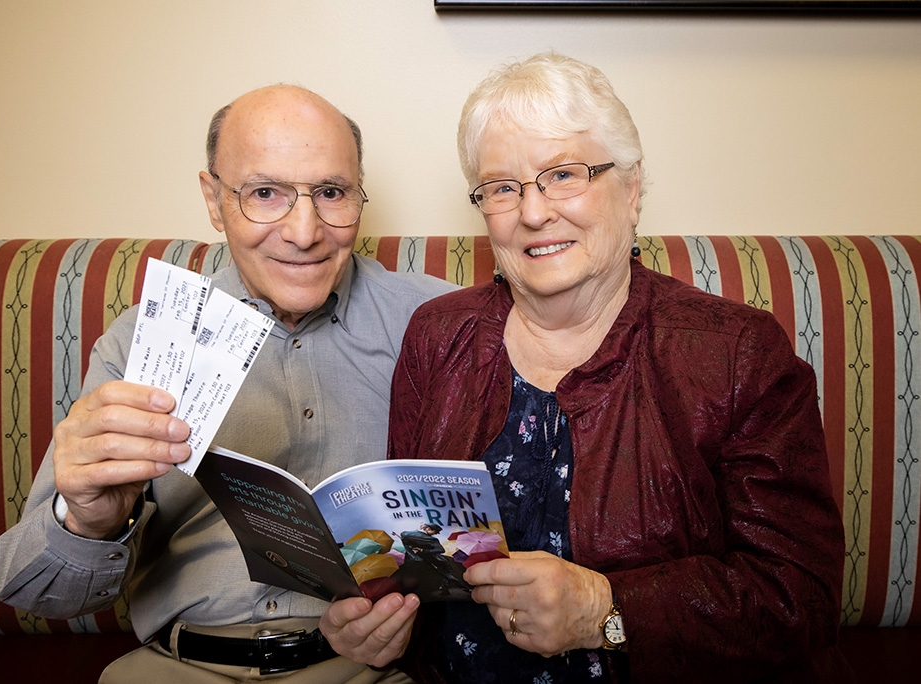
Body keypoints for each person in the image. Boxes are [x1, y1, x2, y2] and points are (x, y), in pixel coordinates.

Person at [318, 53, 853, 683]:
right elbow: (410, 561)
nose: (534, 212)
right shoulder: (438, 337)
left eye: (564, 174)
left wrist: (607, 609)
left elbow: (802, 599)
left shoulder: (736, 353)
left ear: (630, 190)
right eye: (502, 187)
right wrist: (380, 624)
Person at [0, 84, 455, 684]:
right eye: (265, 193)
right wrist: (86, 519)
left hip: (378, 668)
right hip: (180, 666)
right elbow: (35, 591)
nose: (304, 231)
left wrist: (419, 609)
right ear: (213, 200)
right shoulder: (141, 343)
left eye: (332, 193)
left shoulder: (440, 325)